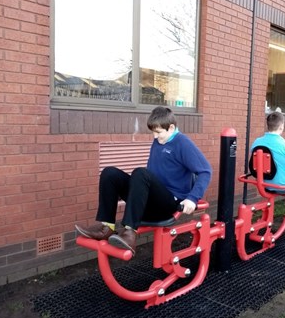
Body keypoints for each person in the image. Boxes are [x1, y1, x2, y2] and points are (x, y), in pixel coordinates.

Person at [75, 106, 212, 256]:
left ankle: (130, 233)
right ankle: (107, 227)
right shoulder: (159, 141)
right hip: (150, 200)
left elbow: (205, 171)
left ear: (171, 127)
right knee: (110, 173)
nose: (155, 136)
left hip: (168, 204)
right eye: (153, 132)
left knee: (140, 173)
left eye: (158, 132)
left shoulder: (183, 143)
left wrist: (192, 199)